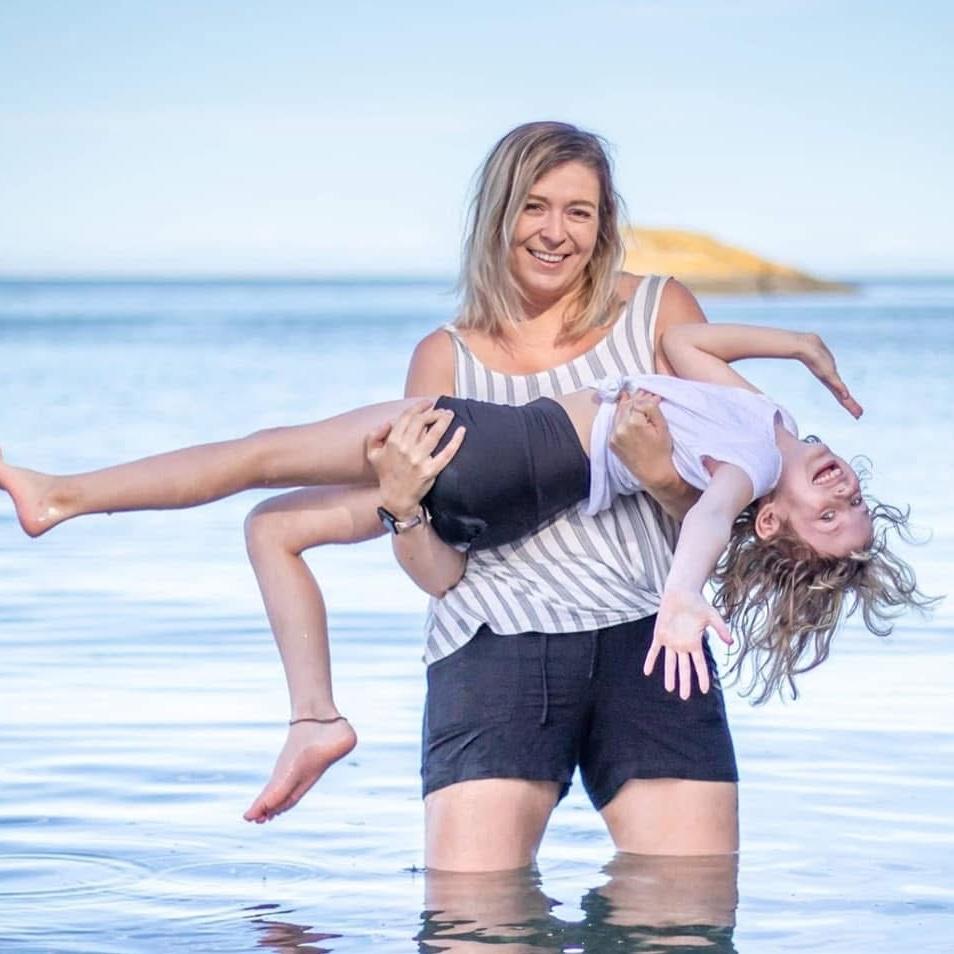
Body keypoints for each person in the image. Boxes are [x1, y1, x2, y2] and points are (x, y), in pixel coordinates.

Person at [0, 319, 922, 703]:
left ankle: (61, 494)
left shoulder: (749, 466)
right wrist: (798, 343)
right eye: (852, 502)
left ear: (776, 523)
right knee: (277, 522)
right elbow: (682, 341)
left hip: (506, 447)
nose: (842, 493)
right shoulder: (766, 420)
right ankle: (316, 719)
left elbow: (711, 515)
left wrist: (682, 597)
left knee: (259, 455)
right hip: (504, 498)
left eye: (829, 519)